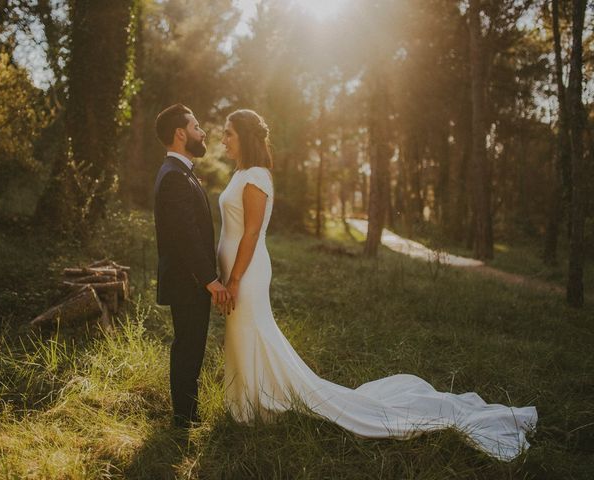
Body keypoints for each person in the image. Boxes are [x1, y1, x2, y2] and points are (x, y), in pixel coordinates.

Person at [217, 109, 537, 461]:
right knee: (246, 335)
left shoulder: (256, 176)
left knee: (253, 332)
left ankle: (260, 404)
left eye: (228, 133)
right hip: (237, 271)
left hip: (246, 273)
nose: (223, 139)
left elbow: (250, 232)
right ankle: (251, 402)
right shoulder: (241, 173)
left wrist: (234, 279)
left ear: (245, 136)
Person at [153, 104, 231, 428]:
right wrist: (210, 280)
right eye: (197, 126)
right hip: (188, 282)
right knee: (188, 347)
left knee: (191, 345)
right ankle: (185, 420)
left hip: (189, 280)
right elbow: (185, 236)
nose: (203, 133)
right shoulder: (173, 176)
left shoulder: (180, 171)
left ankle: (187, 414)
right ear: (180, 133)